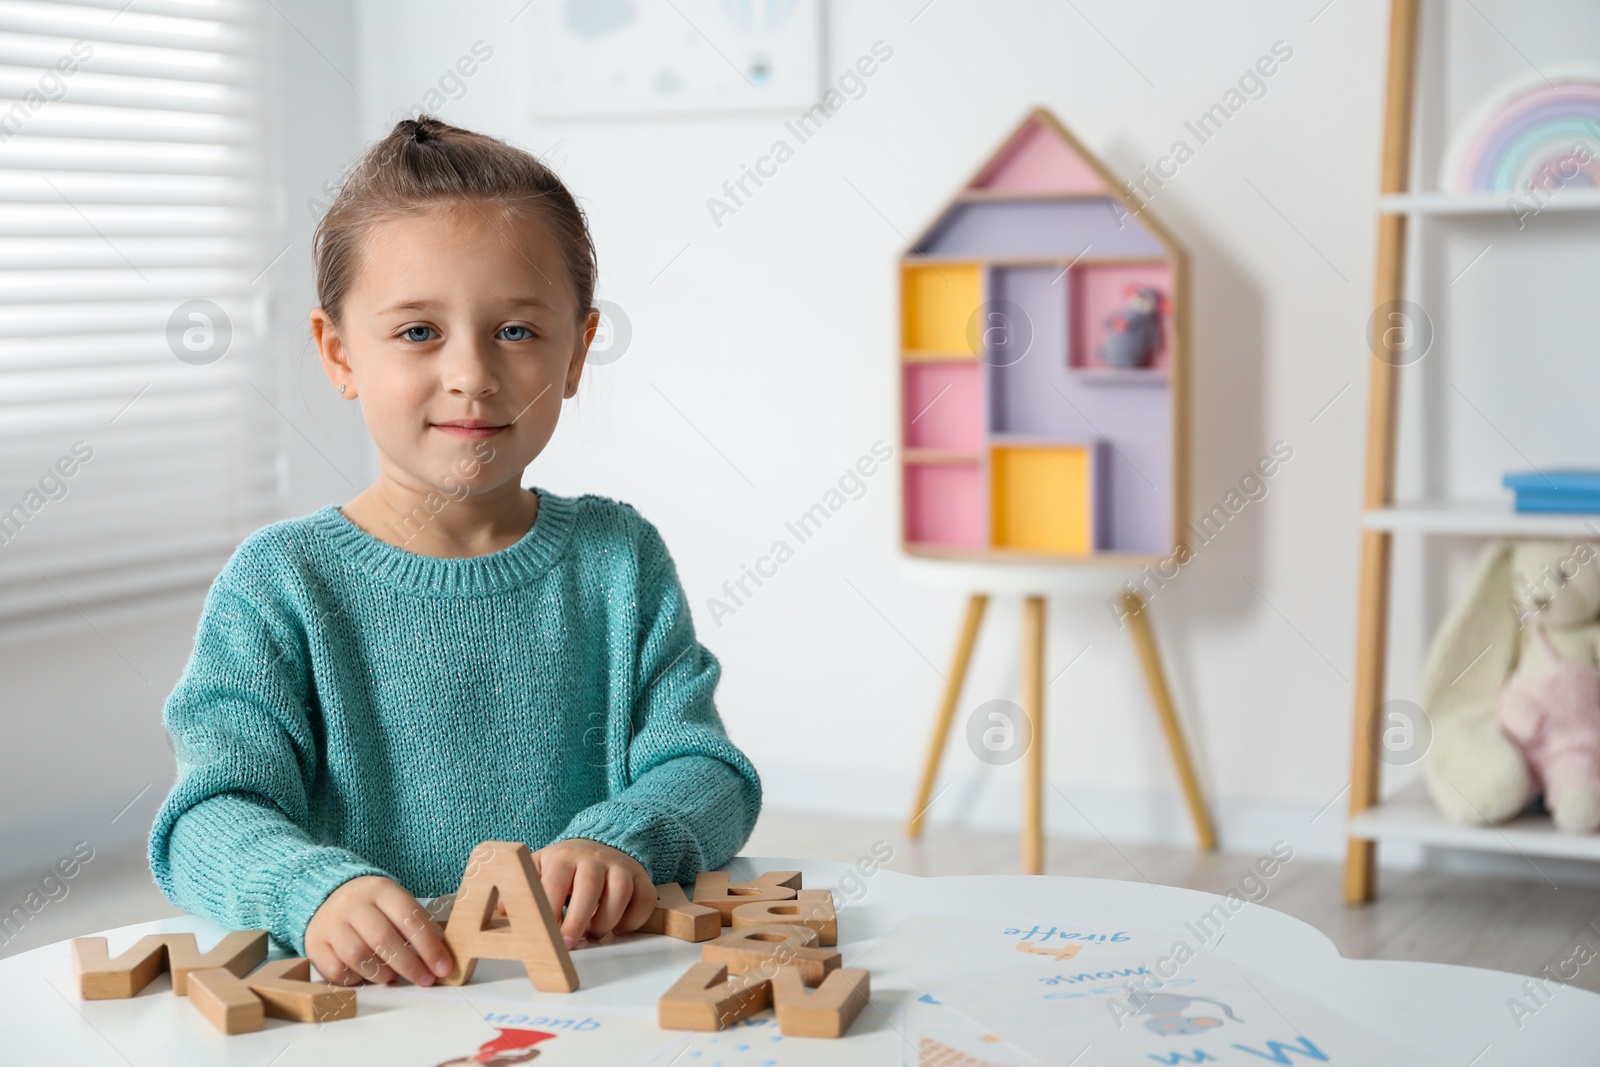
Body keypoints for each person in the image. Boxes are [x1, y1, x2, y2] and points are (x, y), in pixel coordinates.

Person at [146, 115, 761, 989]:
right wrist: (308, 889)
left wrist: (622, 837)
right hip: (373, 1009)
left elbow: (707, 769)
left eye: (516, 331)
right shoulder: (280, 584)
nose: (472, 373)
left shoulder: (619, 560)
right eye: (417, 332)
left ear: (578, 351)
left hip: (590, 994)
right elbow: (209, 813)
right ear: (338, 351)